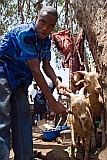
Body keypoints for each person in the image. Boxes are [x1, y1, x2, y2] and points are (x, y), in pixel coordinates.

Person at [0, 6, 71, 160]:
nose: (45, 29)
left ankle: (25, 157)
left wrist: (57, 82)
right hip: (2, 73)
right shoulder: (26, 34)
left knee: (23, 118)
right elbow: (35, 69)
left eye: (51, 26)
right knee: (3, 118)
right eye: (42, 22)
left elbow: (46, 65)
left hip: (19, 80)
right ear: (36, 18)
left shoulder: (46, 41)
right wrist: (51, 102)